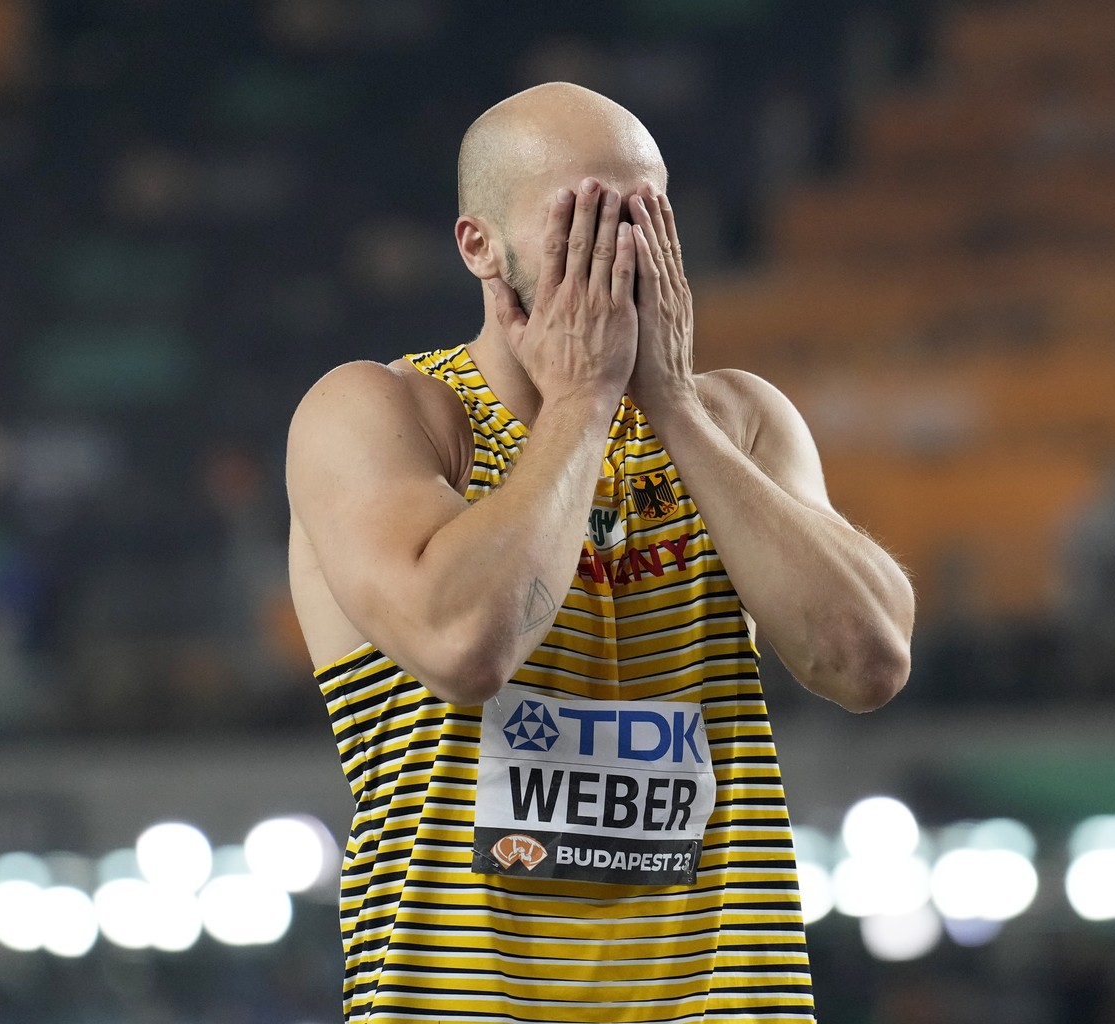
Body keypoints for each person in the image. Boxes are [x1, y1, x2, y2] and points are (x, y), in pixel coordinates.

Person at [286, 81, 914, 1024]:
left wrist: (677, 411)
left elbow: (867, 662)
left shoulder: (736, 419)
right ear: (479, 245)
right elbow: (465, 645)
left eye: (642, 215)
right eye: (581, 215)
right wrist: (581, 404)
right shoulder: (384, 415)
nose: (616, 248)